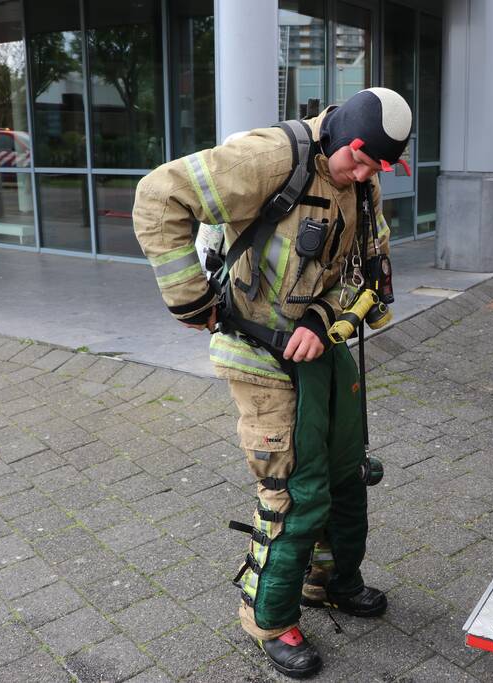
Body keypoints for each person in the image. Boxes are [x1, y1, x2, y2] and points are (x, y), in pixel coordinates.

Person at [133, 88, 412, 679]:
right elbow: (159, 197)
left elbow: (367, 272)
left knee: (347, 474)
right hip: (254, 351)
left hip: (318, 347)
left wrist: (321, 318)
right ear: (339, 133)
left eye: (375, 169)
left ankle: (330, 583)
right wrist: (192, 302)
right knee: (294, 490)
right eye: (358, 161)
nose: (362, 176)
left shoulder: (363, 179)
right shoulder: (271, 156)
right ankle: (268, 619)